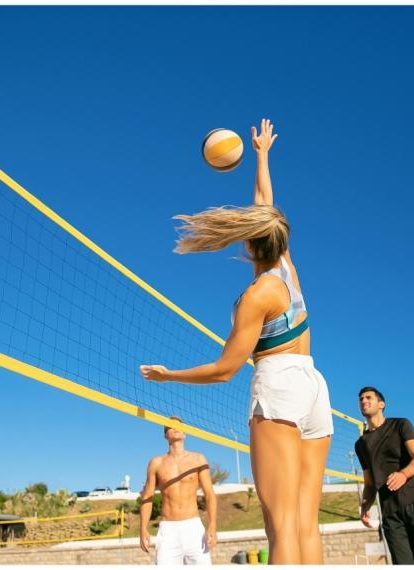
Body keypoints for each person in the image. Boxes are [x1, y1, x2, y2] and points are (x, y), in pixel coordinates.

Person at [140, 119, 332, 564]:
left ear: (249, 243)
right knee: (305, 522)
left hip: (279, 385)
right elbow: (266, 205)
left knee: (279, 524)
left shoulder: (256, 295)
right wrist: (262, 155)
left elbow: (226, 369)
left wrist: (171, 377)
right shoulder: (288, 271)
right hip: (314, 385)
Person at [355, 386, 414, 565]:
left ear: (381, 404)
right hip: (391, 515)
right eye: (360, 399)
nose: (363, 401)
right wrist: (365, 506)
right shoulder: (360, 444)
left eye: (368, 397)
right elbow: (369, 483)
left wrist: (403, 474)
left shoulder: (401, 425)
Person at [139, 417, 217, 565]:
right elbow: (147, 497)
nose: (175, 428)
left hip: (193, 528)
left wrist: (212, 524)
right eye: (170, 426)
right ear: (165, 435)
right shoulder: (156, 463)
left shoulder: (198, 459)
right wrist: (143, 528)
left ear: (185, 433)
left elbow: (210, 494)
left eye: (178, 425)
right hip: (168, 530)